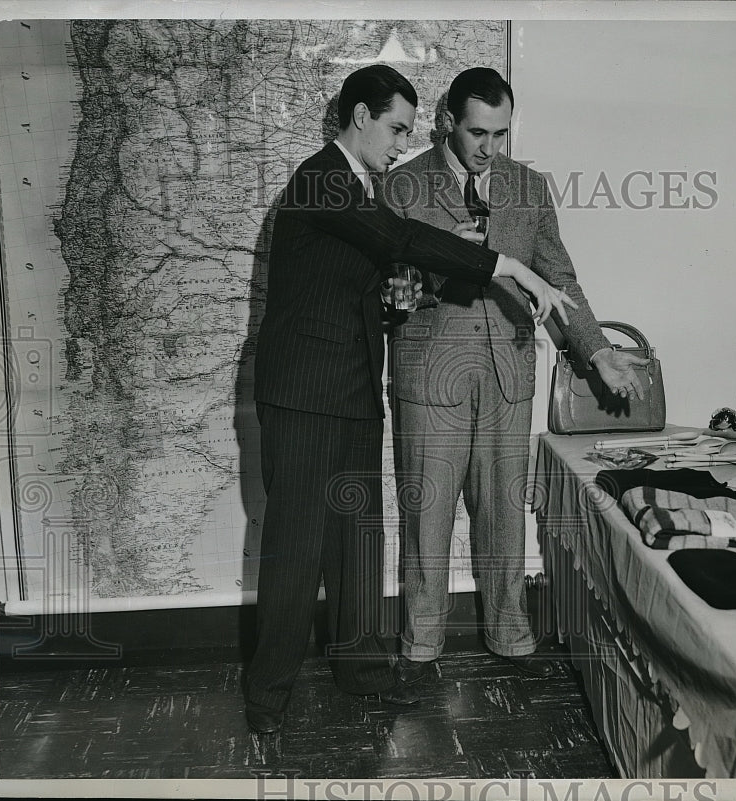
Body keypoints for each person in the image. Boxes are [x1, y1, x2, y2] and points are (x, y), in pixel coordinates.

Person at [245, 64, 577, 734]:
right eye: (396, 125)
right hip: (305, 393)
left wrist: (422, 282)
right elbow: (396, 239)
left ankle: (363, 672)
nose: (402, 140)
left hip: (354, 387)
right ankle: (267, 698)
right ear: (361, 115)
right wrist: (502, 264)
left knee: (355, 545)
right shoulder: (323, 176)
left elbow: (388, 281)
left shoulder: (361, 185)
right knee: (295, 550)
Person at [383, 67, 650, 682]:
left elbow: (561, 279)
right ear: (448, 122)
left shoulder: (528, 188)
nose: (489, 148)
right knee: (427, 512)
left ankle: (507, 625)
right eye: (477, 133)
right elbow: (390, 294)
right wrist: (443, 255)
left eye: (500, 134)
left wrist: (597, 352)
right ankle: (422, 638)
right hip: (430, 377)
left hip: (508, 373)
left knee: (504, 508)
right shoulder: (402, 187)